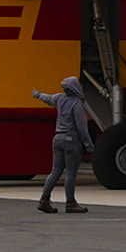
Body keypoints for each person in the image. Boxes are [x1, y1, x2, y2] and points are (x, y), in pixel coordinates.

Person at [29, 76, 92, 214]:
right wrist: (89, 144)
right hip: (71, 141)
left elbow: (47, 98)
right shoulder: (77, 104)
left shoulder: (59, 98)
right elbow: (82, 127)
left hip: (57, 139)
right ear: (76, 87)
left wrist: (37, 94)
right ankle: (71, 203)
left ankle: (44, 200)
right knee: (70, 172)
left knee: (56, 171)